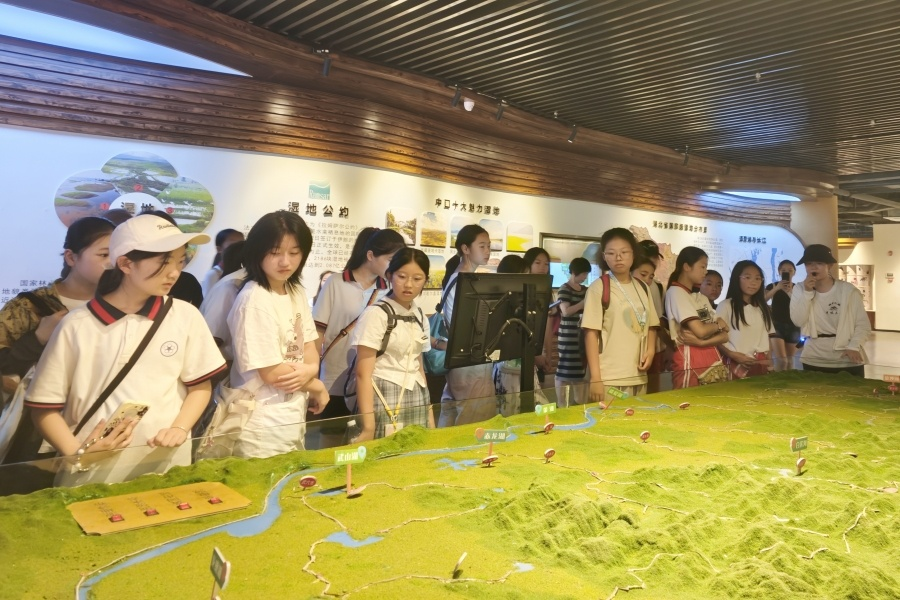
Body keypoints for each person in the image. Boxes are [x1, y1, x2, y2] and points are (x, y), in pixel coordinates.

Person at [26, 214, 226, 485]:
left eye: (180, 261)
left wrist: (179, 428)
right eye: (164, 261)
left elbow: (200, 386)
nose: (174, 272)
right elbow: (44, 407)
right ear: (125, 264)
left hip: (165, 465)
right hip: (89, 473)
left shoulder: (185, 315)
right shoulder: (77, 325)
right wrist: (77, 454)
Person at [0, 217, 115, 464]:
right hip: (33, 432)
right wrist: (38, 339)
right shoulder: (29, 305)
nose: (112, 263)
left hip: (99, 424)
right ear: (71, 257)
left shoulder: (120, 305)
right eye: (104, 255)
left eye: (117, 255)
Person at [227, 211, 330, 458]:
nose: (286, 262)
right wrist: (316, 385)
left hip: (292, 409)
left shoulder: (294, 290)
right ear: (257, 252)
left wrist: (310, 369)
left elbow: (309, 344)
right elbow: (272, 372)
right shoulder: (254, 299)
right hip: (260, 416)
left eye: (294, 253)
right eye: (275, 252)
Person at [312, 228, 405, 446]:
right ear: (370, 255)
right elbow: (317, 333)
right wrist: (313, 377)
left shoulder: (389, 289)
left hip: (372, 380)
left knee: (366, 442)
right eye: (391, 259)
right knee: (332, 443)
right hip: (334, 379)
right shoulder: (336, 282)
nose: (395, 266)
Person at [349, 248, 434, 441]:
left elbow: (418, 365)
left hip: (417, 393)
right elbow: (362, 374)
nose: (409, 285)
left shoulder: (420, 315)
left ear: (425, 281)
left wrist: (429, 415)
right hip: (383, 394)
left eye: (417, 279)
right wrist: (368, 427)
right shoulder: (376, 314)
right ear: (389, 275)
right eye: (402, 276)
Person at [582, 228, 659, 404]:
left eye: (624, 252)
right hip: (610, 377)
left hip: (638, 374)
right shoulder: (598, 288)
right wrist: (596, 378)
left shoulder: (643, 287)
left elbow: (652, 325)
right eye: (611, 253)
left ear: (633, 254)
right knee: (609, 420)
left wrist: (651, 350)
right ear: (604, 256)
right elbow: (590, 333)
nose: (618, 257)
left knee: (637, 418)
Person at [438, 224, 495, 427]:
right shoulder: (463, 280)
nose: (487, 251)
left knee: (453, 416)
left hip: (464, 360)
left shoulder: (460, 277)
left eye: (489, 246)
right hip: (470, 361)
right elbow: (465, 325)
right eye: (482, 246)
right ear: (465, 248)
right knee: (474, 422)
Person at [789, 244, 870, 377]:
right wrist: (807, 292)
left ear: (830, 265)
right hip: (813, 357)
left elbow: (863, 325)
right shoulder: (799, 289)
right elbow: (798, 320)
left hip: (846, 358)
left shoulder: (848, 291)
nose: (813, 267)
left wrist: (854, 346)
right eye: (809, 264)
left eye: (819, 263)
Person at [665, 246, 730, 388]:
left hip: (711, 357)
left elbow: (725, 335)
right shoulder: (676, 292)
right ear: (687, 267)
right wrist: (717, 326)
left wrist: (702, 342)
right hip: (690, 358)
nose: (705, 271)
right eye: (702, 267)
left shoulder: (700, 297)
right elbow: (701, 331)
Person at [716, 260, 774, 378]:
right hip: (735, 362)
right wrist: (733, 355)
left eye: (758, 278)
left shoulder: (763, 308)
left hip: (760, 362)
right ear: (737, 279)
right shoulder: (726, 305)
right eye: (747, 277)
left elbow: (768, 336)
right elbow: (717, 338)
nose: (753, 282)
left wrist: (770, 360)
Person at [555, 257, 591, 406]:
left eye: (586, 274)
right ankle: (561, 403)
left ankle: (579, 402)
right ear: (575, 272)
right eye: (583, 274)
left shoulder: (586, 290)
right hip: (568, 335)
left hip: (581, 335)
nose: (585, 277)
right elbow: (566, 311)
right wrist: (582, 304)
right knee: (564, 369)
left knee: (580, 370)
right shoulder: (564, 288)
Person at [523, 247, 558, 390]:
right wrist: (534, 355)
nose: (543, 267)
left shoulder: (546, 290)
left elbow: (547, 325)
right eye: (537, 263)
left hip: (538, 351)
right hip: (523, 355)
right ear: (528, 265)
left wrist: (548, 354)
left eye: (546, 264)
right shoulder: (522, 288)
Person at [765, 259, 800, 370]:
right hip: (776, 325)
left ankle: (788, 380)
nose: (787, 272)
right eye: (783, 270)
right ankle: (778, 379)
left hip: (793, 326)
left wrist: (790, 292)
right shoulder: (772, 286)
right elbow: (763, 300)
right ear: (779, 272)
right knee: (782, 360)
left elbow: (800, 305)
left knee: (790, 360)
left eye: (790, 270)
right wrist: (777, 288)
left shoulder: (798, 288)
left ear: (794, 272)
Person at [201, 228, 244, 296]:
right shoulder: (213, 274)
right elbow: (208, 300)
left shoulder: (244, 271)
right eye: (233, 245)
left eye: (241, 244)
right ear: (219, 249)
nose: (238, 248)